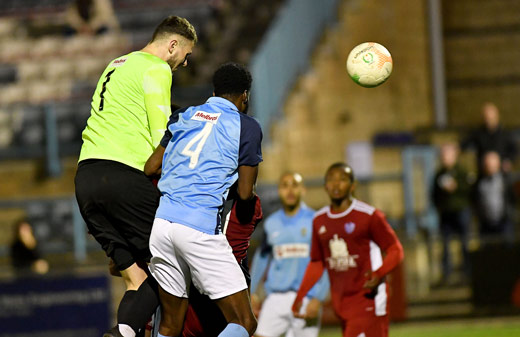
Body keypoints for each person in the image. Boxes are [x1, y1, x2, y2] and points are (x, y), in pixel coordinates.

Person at [74, 15, 197, 337]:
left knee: (136, 278)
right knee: (174, 265)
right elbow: (162, 138)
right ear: (173, 45)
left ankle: (126, 331)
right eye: (185, 55)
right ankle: (123, 332)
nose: (183, 64)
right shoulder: (155, 69)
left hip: (86, 177)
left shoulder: (117, 63)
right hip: (123, 176)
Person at [147, 62, 262, 337]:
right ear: (244, 96)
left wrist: (182, 171)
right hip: (198, 227)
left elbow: (151, 167)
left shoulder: (183, 116)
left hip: (162, 226)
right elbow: (245, 193)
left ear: (213, 91)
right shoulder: (247, 127)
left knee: (170, 325)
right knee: (245, 322)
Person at [292, 163, 404, 337]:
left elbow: (396, 250)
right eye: (331, 180)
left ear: (353, 185)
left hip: (369, 299)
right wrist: (301, 295)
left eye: (342, 180)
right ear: (325, 186)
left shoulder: (369, 216)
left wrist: (379, 273)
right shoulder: (319, 219)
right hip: (342, 303)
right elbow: (317, 262)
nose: (336, 185)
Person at [249, 172, 329, 337]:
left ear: (303, 190)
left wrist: (318, 298)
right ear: (279, 191)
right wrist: (252, 292)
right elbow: (262, 258)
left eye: (295, 185)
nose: (290, 190)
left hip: (306, 298)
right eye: (285, 185)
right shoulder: (271, 223)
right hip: (276, 297)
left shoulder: (316, 220)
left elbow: (327, 261)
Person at [432, 143, 472, 284]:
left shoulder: (462, 172)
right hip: (445, 213)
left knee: (464, 243)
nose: (444, 158)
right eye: (442, 155)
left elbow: (469, 190)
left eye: (447, 155)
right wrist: (439, 206)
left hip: (461, 211)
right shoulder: (439, 174)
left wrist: (456, 187)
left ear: (454, 156)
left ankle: (467, 273)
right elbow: (434, 194)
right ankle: (446, 274)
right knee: (445, 244)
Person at [461, 102, 517, 175]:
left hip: (501, 173)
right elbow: (464, 143)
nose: (489, 120)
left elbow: (514, 150)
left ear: (497, 117)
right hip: (483, 172)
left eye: (491, 118)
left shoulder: (505, 134)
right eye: (487, 118)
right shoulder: (478, 133)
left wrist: (508, 161)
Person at [473, 151, 515, 244]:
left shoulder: (505, 179)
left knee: (508, 252)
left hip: (504, 222)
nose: (489, 166)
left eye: (492, 164)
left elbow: (512, 198)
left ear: (498, 164)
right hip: (485, 223)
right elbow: (475, 200)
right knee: (487, 253)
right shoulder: (479, 182)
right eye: (487, 164)